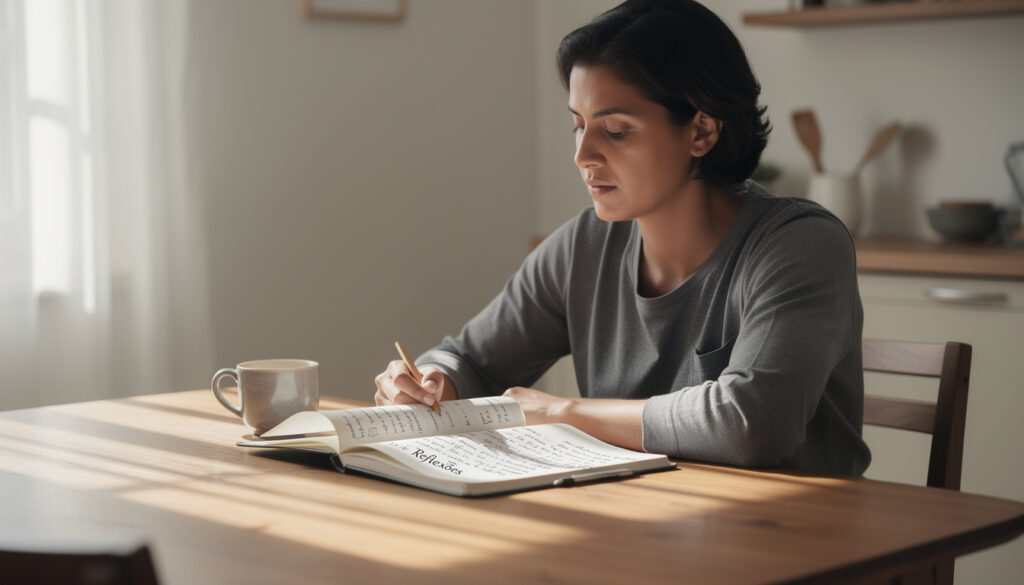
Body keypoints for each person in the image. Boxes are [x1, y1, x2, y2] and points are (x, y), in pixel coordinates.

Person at [374, 0, 870, 476]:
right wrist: (428, 382)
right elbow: (470, 359)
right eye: (578, 125)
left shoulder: (799, 246)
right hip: (641, 528)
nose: (582, 154)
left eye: (614, 131)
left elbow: (752, 423)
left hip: (796, 542)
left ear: (701, 132)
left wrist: (561, 412)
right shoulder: (584, 248)